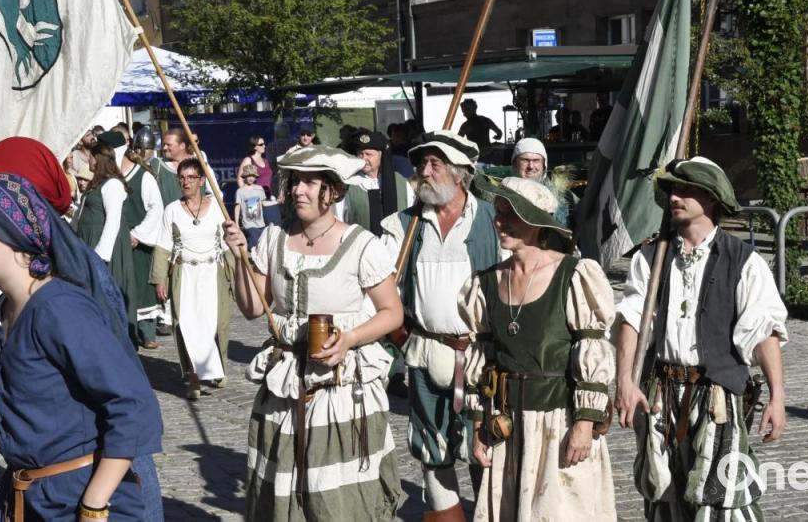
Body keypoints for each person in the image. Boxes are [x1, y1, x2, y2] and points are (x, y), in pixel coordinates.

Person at [0, 137, 165, 522]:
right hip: (30, 498)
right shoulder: (8, 307)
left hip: (75, 500)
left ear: (11, 232)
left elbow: (132, 403)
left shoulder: (59, 307)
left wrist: (94, 503)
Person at [224, 145, 403, 521]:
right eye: (294, 182)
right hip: (285, 386)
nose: (298, 191)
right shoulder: (273, 239)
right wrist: (240, 256)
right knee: (283, 491)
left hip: (338, 388)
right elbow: (253, 307)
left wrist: (350, 339)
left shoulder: (360, 245)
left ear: (334, 191)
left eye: (310, 183)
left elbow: (392, 313)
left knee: (336, 498)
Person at [615, 157, 788, 520]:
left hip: (717, 396)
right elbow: (632, 321)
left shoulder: (743, 260)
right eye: (672, 190)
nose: (675, 197)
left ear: (711, 198)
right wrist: (626, 382)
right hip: (661, 395)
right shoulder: (651, 257)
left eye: (686, 189)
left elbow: (763, 331)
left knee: (721, 497)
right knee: (664, 496)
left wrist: (777, 396)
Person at [459, 177, 617, 521]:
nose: (501, 222)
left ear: (536, 221)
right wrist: (477, 428)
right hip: (507, 424)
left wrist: (584, 424)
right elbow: (479, 361)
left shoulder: (574, 275)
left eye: (511, 214)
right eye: (498, 213)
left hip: (558, 422)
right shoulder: (485, 282)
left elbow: (593, 354)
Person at [380, 131, 500, 520]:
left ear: (461, 172)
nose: (424, 172)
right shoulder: (404, 225)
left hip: (480, 356)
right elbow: (377, 285)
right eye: (421, 164)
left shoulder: (493, 220)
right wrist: (398, 336)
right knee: (431, 446)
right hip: (425, 350)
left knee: (486, 446)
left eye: (435, 164)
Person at [150, 159, 233, 400]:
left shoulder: (217, 208)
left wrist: (235, 274)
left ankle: (216, 370)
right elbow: (163, 246)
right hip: (185, 274)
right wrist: (159, 279)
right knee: (186, 325)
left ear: (201, 180)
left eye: (191, 177)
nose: (186, 182)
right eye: (182, 177)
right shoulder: (172, 210)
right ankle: (194, 377)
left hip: (211, 273)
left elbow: (228, 242)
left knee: (214, 324)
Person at [73, 135, 138, 347]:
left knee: (109, 292)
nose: (88, 161)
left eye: (91, 157)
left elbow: (112, 221)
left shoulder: (112, 185)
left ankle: (116, 340)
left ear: (98, 159)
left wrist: (100, 255)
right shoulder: (97, 184)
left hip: (104, 249)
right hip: (88, 243)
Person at [119, 136, 165, 350]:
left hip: (138, 242)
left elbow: (157, 208)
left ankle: (147, 331)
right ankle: (127, 330)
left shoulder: (144, 177)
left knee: (142, 287)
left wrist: (138, 234)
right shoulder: (113, 175)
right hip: (118, 240)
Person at [338, 129, 414, 236]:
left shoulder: (401, 183)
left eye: (369, 154)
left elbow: (411, 218)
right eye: (360, 154)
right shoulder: (349, 185)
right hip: (361, 249)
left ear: (381, 156)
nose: (364, 158)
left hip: (396, 249)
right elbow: (338, 219)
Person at [510, 137, 577, 228]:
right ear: (515, 163)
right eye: (525, 160)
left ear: (544, 165)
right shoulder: (504, 193)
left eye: (536, 160)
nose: (531, 166)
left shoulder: (561, 198)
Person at [234, 164, 268, 248]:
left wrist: (277, 202)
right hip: (249, 224)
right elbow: (237, 207)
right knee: (255, 244)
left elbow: (264, 203)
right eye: (249, 176)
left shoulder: (259, 188)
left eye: (253, 176)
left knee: (261, 246)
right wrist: (237, 224)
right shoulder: (240, 191)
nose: (251, 178)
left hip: (261, 223)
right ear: (244, 176)